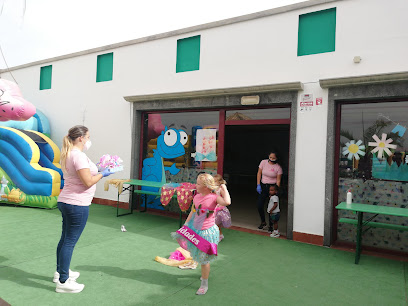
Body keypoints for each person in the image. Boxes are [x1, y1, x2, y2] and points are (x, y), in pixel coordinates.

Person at [54, 125, 113, 293]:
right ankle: (63, 282)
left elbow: (82, 174)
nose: (88, 140)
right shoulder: (77, 155)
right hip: (77, 204)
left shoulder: (68, 153)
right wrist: (104, 173)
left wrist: (99, 169)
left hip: (67, 201)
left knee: (65, 239)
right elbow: (87, 181)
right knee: (69, 241)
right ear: (80, 138)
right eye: (87, 137)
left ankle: (61, 273)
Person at [173, 173, 231, 295]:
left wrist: (224, 188)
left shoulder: (214, 197)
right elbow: (193, 211)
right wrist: (186, 224)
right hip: (196, 230)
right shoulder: (196, 197)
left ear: (206, 186)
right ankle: (204, 275)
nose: (196, 185)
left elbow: (227, 202)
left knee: (204, 260)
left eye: (198, 183)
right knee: (198, 256)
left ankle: (204, 284)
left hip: (208, 233)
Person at [256, 151, 282, 230]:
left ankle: (271, 225)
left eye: (273, 158)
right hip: (263, 186)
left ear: (277, 158)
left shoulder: (278, 167)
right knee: (259, 205)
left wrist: (275, 190)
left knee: (271, 206)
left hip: (272, 187)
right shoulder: (263, 162)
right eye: (270, 157)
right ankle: (263, 221)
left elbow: (278, 180)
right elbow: (259, 173)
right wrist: (258, 185)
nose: (271, 159)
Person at [213, 174, 232, 242]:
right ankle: (217, 235)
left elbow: (225, 197)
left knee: (216, 224)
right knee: (213, 224)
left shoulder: (220, 189)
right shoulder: (213, 189)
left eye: (215, 181)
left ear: (219, 182)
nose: (213, 183)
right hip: (214, 208)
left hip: (219, 209)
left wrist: (221, 204)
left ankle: (220, 235)